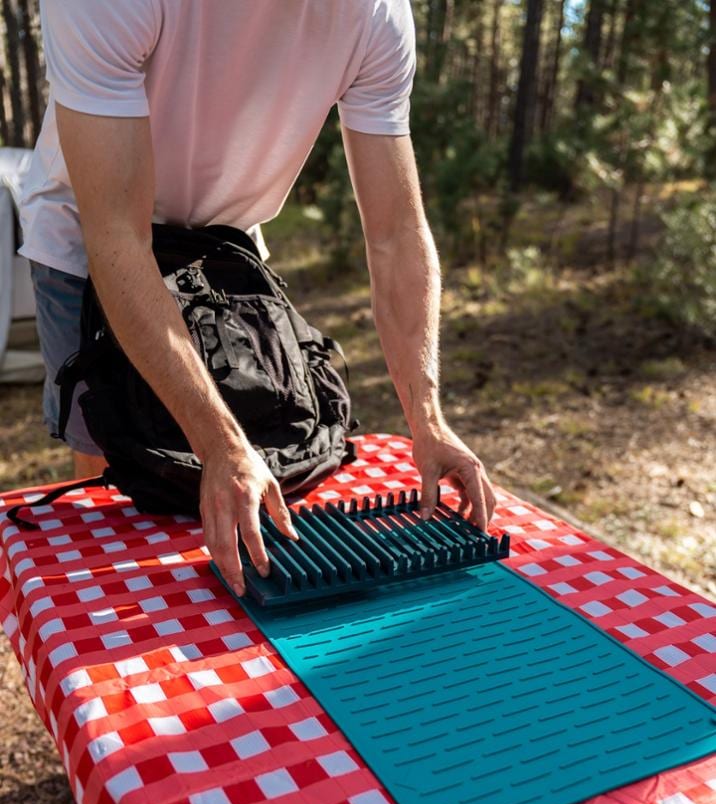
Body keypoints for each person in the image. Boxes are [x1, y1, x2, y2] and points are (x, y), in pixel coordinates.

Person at [19, 0, 496, 597]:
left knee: (260, 462)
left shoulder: (375, 15)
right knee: (131, 475)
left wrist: (429, 421)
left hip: (228, 240)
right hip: (91, 236)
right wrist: (218, 442)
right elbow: (117, 233)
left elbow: (397, 233)